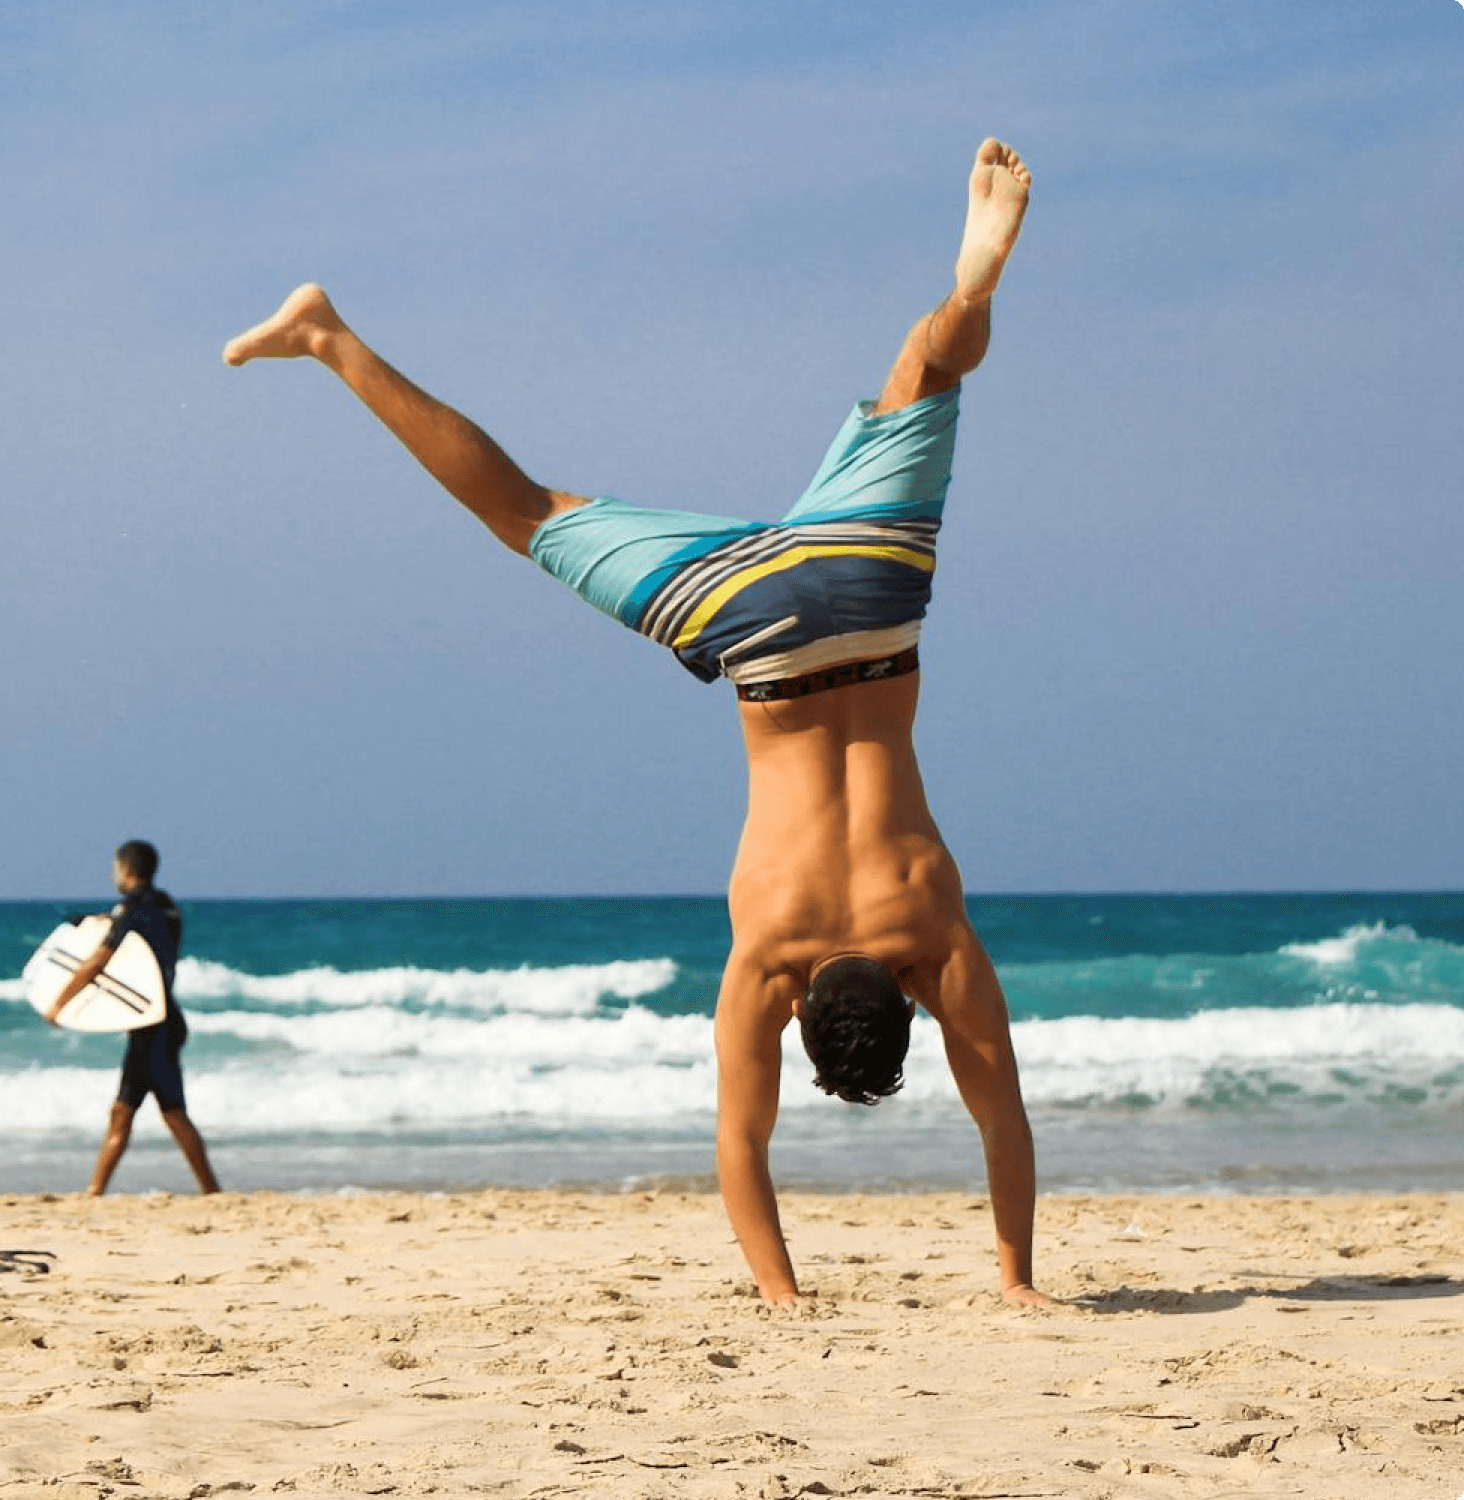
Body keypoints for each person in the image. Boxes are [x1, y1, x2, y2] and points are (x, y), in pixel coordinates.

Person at [224, 137, 1044, 1304]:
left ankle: (969, 291)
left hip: (869, 600)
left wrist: (1022, 1277)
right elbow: (742, 1146)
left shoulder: (935, 938)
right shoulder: (775, 958)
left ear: (905, 1006)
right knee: (526, 512)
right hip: (753, 635)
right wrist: (781, 1295)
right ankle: (327, 339)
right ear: (805, 1016)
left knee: (928, 369)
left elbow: (1004, 1116)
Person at [43, 840, 221, 1196]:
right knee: (124, 1112)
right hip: (161, 1021)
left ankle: (212, 1191)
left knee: (172, 1112)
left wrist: (59, 1004)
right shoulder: (167, 907)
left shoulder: (133, 910)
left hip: (153, 1028)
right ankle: (96, 1190)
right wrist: (101, 920)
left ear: (125, 869)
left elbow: (98, 961)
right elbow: (142, 938)